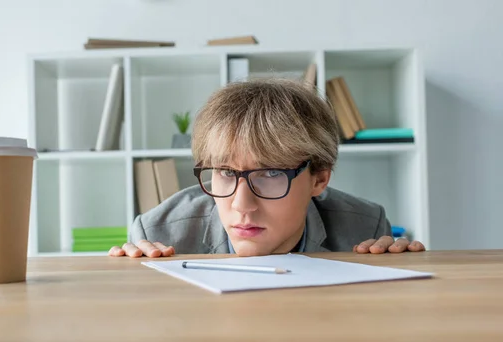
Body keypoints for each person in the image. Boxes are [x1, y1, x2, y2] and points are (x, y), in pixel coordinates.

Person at [110, 78, 426, 258]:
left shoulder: (364, 229)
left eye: (272, 173)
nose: (241, 206)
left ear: (319, 178)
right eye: (226, 172)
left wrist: (399, 269)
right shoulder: (159, 233)